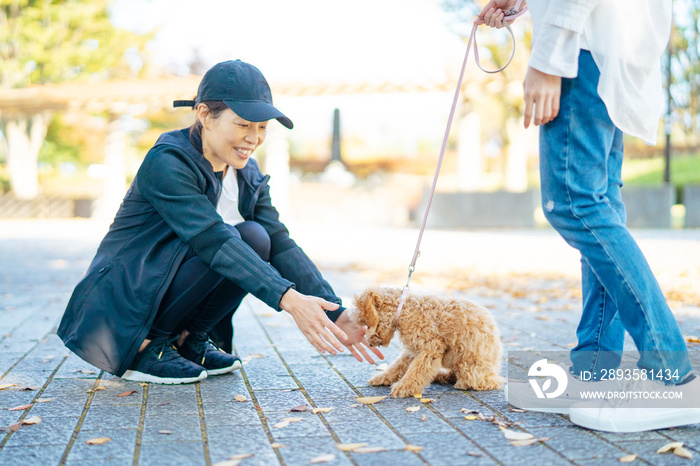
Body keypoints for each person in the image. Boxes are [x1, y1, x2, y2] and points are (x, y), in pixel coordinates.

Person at [58, 60, 383, 384]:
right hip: (125, 303)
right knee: (230, 238)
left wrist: (337, 313)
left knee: (256, 237)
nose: (253, 138)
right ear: (204, 115)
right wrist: (289, 299)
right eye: (243, 124)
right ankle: (147, 347)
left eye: (262, 127)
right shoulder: (168, 162)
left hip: (167, 284)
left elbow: (280, 242)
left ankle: (189, 340)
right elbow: (212, 240)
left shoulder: (247, 172)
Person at [478, 1, 699, 432]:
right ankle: (593, 373)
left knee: (576, 203)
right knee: (597, 203)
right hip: (608, 46)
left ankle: (672, 374)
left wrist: (548, 57)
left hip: (584, 47)